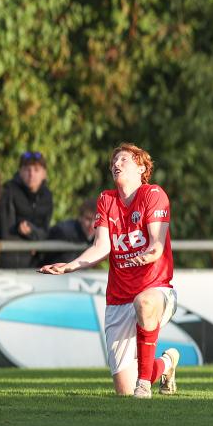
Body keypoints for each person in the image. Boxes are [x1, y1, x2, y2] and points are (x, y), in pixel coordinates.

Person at [39, 144, 180, 399]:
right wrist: (70, 265)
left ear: (141, 168)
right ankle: (167, 363)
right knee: (123, 390)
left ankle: (144, 387)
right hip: (118, 299)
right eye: (114, 160)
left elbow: (157, 243)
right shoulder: (106, 199)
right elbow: (101, 246)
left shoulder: (153, 194)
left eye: (123, 159)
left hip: (157, 290)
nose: (116, 163)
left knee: (144, 302)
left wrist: (148, 255)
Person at [0, 151, 53, 268]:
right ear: (20, 172)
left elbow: (46, 232)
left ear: (44, 173)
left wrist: (32, 233)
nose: (31, 174)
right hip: (8, 263)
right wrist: (30, 242)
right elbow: (5, 233)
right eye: (27, 169)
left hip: (35, 264)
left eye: (36, 170)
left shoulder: (47, 196)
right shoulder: (8, 191)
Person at [43, 197, 98, 265]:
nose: (92, 225)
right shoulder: (63, 231)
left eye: (96, 219)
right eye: (88, 219)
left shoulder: (102, 236)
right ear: (80, 218)